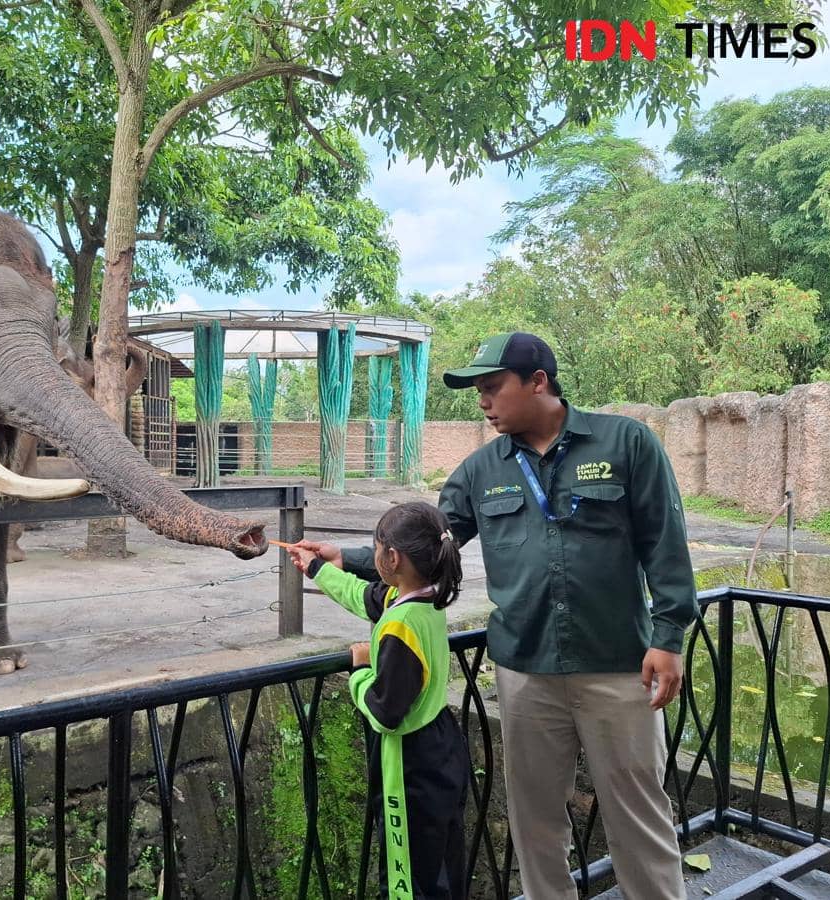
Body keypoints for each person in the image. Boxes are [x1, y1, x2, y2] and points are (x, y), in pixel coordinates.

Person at [298, 333, 697, 900]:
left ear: (538, 381)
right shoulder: (481, 469)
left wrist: (670, 635)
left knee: (639, 818)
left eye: (492, 387)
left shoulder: (625, 442)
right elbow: (429, 545)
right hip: (525, 673)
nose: (483, 401)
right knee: (534, 823)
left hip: (618, 668)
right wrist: (352, 560)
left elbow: (665, 544)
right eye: (478, 390)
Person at [288, 501, 470, 900]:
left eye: (375, 547)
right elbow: (363, 595)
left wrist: (359, 672)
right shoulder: (426, 597)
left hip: (409, 760)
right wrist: (317, 568)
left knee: (408, 869)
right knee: (441, 860)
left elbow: (386, 712)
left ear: (391, 557)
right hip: (441, 744)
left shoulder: (399, 627)